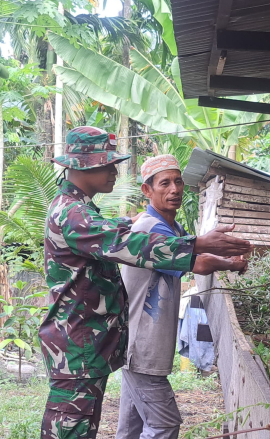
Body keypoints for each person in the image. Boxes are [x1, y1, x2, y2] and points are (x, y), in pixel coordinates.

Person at [40, 127, 253, 439]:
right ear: (85, 166)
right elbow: (127, 243)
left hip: (85, 343)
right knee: (69, 431)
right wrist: (197, 244)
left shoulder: (79, 209)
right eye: (108, 164)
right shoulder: (72, 214)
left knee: (82, 427)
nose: (114, 171)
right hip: (76, 345)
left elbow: (115, 232)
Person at [116, 155, 247, 439]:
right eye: (165, 183)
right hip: (142, 344)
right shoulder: (152, 229)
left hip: (138, 343)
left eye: (178, 182)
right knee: (164, 425)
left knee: (132, 426)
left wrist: (224, 253)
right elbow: (198, 263)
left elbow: (196, 253)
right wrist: (231, 262)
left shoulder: (172, 228)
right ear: (147, 191)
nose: (174, 189)